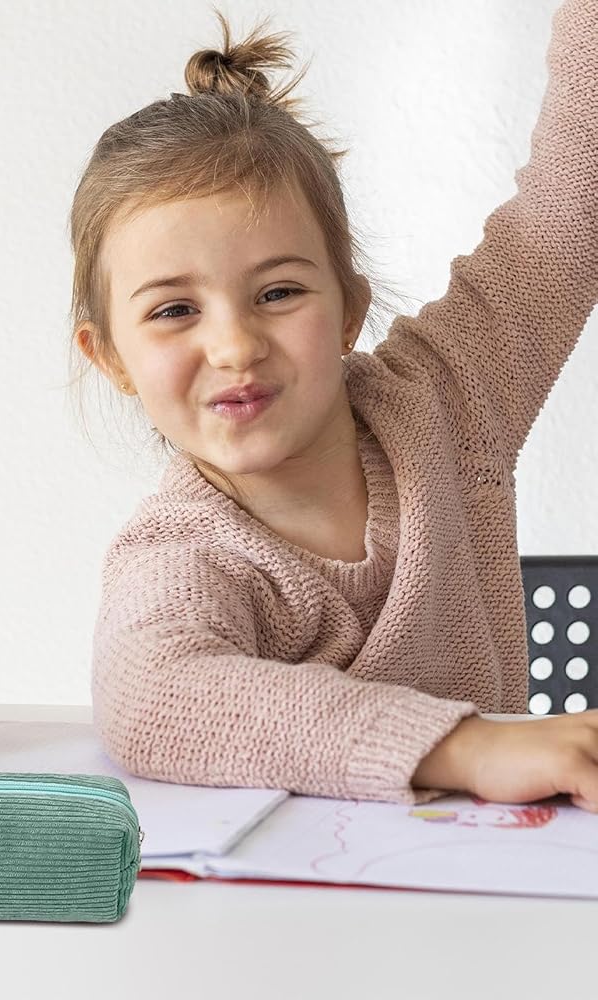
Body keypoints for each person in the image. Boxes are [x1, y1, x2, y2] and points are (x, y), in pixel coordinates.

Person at [67, 1, 598, 807]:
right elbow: (151, 697)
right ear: (111, 359)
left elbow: (567, 217)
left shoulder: (450, 402)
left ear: (350, 308)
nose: (236, 346)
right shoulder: (182, 553)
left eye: (278, 292)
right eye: (175, 311)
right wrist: (464, 745)